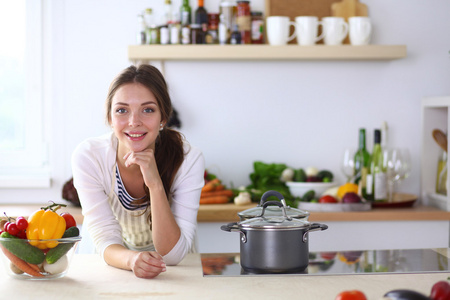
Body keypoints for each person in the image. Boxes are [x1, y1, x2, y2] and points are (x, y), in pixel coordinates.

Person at [71, 64, 205, 279]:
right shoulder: (89, 156)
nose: (134, 122)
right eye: (122, 110)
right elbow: (106, 239)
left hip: (175, 271)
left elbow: (171, 255)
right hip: (108, 264)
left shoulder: (188, 159)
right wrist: (133, 259)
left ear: (163, 118)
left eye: (148, 109)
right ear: (109, 118)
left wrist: (155, 184)